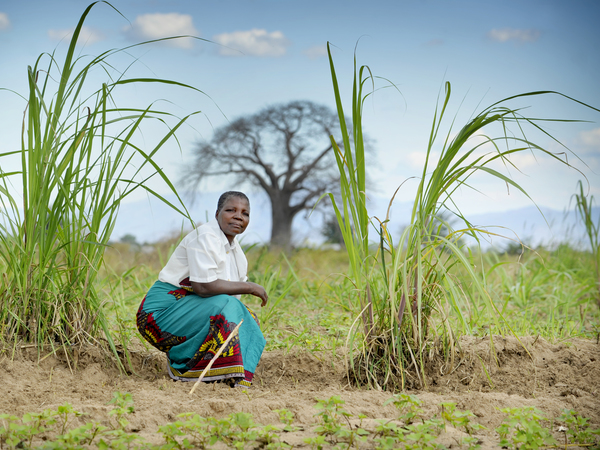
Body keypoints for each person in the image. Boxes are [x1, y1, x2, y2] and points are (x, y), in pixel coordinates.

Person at [136, 191, 268, 387]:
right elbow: (203, 287)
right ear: (217, 214)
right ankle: (185, 365)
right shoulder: (205, 236)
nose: (239, 216)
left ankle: (218, 373)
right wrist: (250, 287)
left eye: (245, 213)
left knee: (247, 318)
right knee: (229, 304)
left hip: (191, 310)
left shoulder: (238, 254)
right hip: (159, 315)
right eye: (231, 210)